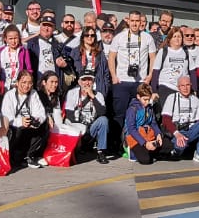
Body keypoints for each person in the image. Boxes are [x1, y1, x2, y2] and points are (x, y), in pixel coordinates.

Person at [107, 12, 156, 150]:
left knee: (139, 114)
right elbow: (111, 57)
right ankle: (115, 145)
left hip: (140, 82)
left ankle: (136, 144)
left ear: (141, 22)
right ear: (128, 21)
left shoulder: (147, 38)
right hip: (122, 81)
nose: (135, 24)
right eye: (132, 20)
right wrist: (114, 76)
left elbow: (153, 57)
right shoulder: (119, 37)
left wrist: (150, 75)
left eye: (137, 21)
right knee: (119, 114)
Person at [2, 70, 50, 169]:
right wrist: (20, 121)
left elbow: (41, 113)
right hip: (15, 128)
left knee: (44, 125)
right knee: (16, 130)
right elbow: (6, 117)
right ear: (17, 82)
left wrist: (36, 120)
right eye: (24, 82)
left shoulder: (33, 94)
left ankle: (29, 155)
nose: (27, 86)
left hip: (29, 126)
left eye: (29, 83)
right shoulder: (9, 95)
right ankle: (14, 156)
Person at [65, 72, 111, 163]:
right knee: (67, 121)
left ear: (93, 82)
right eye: (84, 80)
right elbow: (69, 115)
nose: (87, 83)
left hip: (91, 129)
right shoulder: (72, 93)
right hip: (77, 129)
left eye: (89, 80)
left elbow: (102, 112)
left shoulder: (98, 95)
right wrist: (81, 129)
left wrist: (92, 96)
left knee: (103, 120)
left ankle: (100, 152)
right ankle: (77, 148)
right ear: (79, 82)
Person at [160, 75, 199, 162]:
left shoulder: (195, 99)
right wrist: (177, 134)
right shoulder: (172, 98)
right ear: (178, 87)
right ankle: (175, 151)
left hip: (191, 130)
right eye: (182, 85)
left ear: (191, 85)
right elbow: (165, 119)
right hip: (177, 130)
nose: (185, 88)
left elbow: (198, 120)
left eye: (187, 85)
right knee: (181, 145)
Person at [28, 12, 73, 90]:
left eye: (49, 26)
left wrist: (64, 65)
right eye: (44, 25)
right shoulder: (31, 43)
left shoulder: (59, 45)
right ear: (40, 26)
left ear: (54, 28)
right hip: (37, 83)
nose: (46, 28)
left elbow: (70, 66)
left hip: (54, 84)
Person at [122, 84, 165, 165]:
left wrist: (158, 134)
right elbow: (131, 129)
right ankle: (131, 151)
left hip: (147, 135)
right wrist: (145, 143)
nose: (147, 102)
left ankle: (150, 151)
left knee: (167, 145)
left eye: (149, 99)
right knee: (146, 160)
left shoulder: (149, 108)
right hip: (134, 138)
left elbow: (153, 122)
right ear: (138, 96)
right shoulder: (132, 109)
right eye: (145, 99)